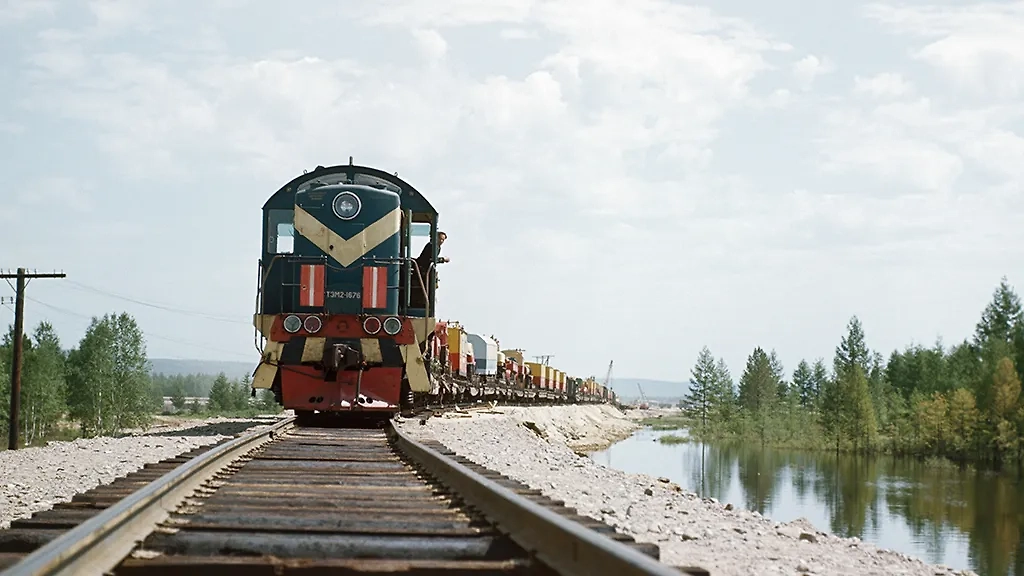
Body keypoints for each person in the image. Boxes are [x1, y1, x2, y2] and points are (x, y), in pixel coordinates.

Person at [410, 231, 447, 308]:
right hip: (421, 269)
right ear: (436, 238)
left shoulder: (437, 247)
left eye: (443, 240)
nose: (441, 241)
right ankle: (422, 302)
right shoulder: (431, 246)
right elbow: (431, 259)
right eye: (440, 239)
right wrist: (443, 259)